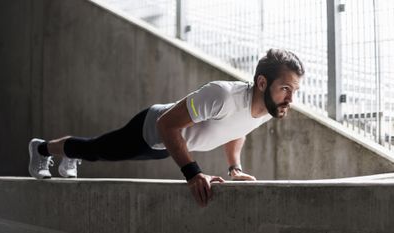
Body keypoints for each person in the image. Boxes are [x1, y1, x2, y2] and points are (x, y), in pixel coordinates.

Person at [28, 48, 304, 207]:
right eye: (285, 89)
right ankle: (41, 149)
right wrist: (193, 174)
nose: (290, 99)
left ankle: (68, 156)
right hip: (151, 130)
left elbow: (237, 129)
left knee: (95, 149)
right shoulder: (221, 96)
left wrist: (235, 168)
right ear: (262, 83)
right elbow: (166, 124)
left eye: (294, 90)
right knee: (96, 150)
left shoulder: (269, 108)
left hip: (170, 146)